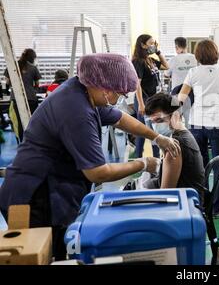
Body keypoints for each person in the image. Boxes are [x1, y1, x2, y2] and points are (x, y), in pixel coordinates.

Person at [0, 53, 180, 260]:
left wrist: (156, 137)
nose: (118, 99)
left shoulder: (83, 91)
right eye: (119, 94)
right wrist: (142, 163)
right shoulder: (76, 110)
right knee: (49, 256)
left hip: (51, 187)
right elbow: (98, 172)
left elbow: (121, 119)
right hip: (35, 196)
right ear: (105, 87)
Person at [178, 39, 219, 218]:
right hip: (218, 122)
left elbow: (182, 97)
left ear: (197, 55)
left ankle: (202, 203)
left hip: (197, 122)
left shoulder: (193, 72)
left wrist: (174, 113)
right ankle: (218, 207)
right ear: (216, 53)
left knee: (200, 165)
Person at [145, 92, 205, 202]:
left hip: (185, 206)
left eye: (159, 120)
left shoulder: (174, 146)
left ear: (176, 116)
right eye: (152, 122)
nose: (155, 126)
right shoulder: (184, 134)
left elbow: (164, 196)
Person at [132, 34, 169, 158]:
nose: (153, 45)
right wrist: (141, 104)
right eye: (151, 43)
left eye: (155, 43)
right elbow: (137, 84)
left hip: (153, 100)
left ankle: (154, 158)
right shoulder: (138, 61)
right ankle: (144, 158)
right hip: (144, 100)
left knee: (150, 129)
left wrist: (158, 52)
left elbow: (166, 66)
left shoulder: (150, 60)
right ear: (143, 45)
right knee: (146, 130)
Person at [5, 48, 42, 141]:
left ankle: (22, 142)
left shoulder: (12, 66)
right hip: (31, 98)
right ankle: (32, 142)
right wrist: (33, 90)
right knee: (32, 122)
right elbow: (37, 84)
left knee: (19, 122)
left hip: (16, 98)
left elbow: (8, 82)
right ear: (33, 58)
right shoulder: (33, 68)